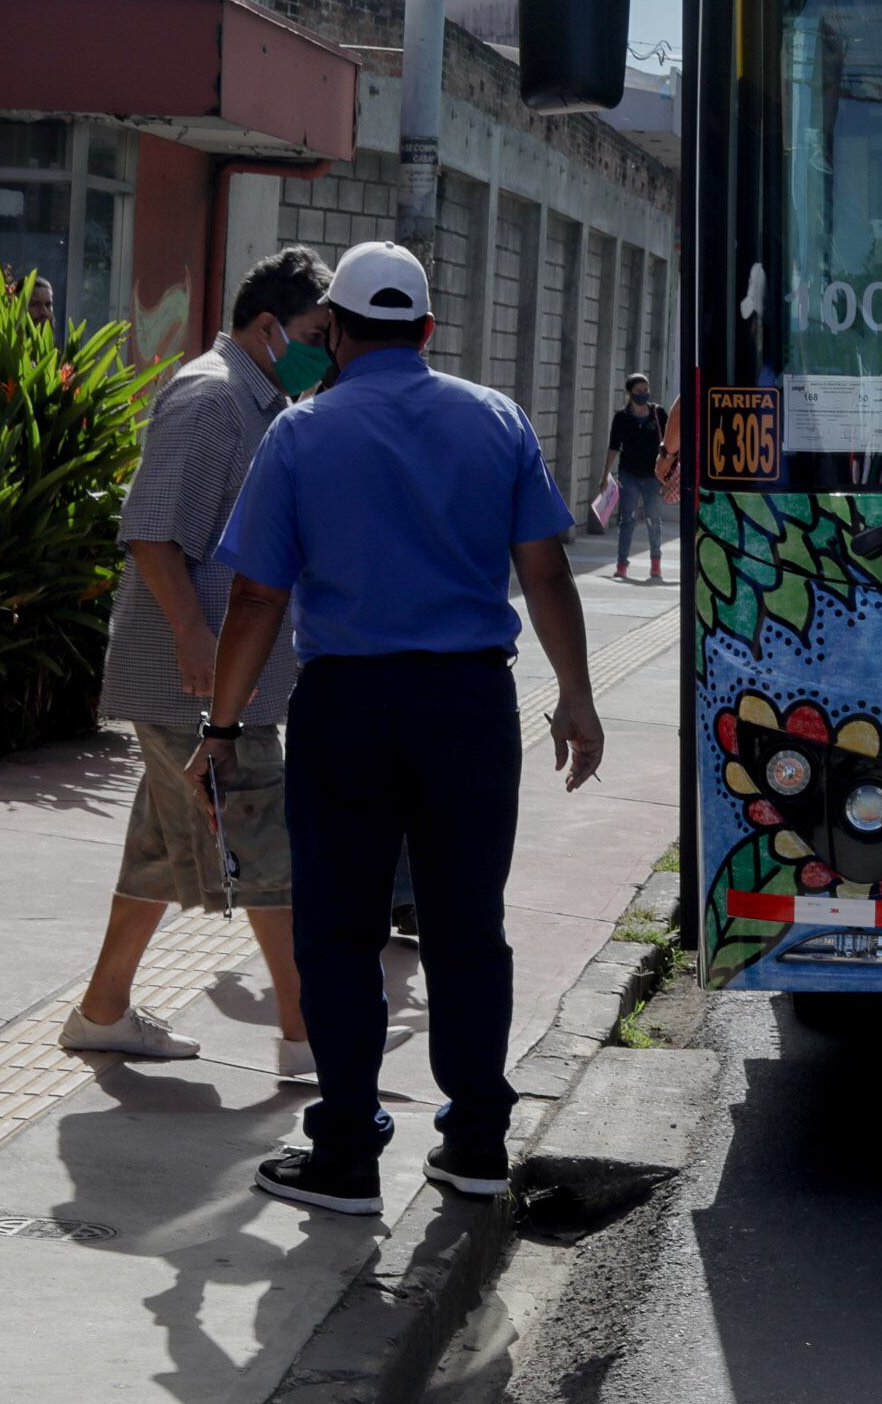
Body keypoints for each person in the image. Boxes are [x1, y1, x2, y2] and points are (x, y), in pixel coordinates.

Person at [208, 242, 604, 1217]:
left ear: (335, 331)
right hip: (470, 705)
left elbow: (258, 594)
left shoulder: (301, 432)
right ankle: (475, 1141)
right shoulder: (496, 418)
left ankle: (344, 1151)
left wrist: (221, 722)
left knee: (339, 927)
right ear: (428, 329)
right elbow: (547, 569)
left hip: (347, 709)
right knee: (468, 924)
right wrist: (577, 695)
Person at [61, 247, 338, 1080]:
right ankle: (305, 1035)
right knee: (265, 849)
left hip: (217, 680)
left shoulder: (259, 401)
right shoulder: (213, 398)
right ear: (267, 327)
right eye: (317, 334)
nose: (329, 351)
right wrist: (193, 636)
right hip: (205, 683)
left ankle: (102, 1012)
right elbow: (151, 528)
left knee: (161, 847)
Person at [600, 372, 668, 581]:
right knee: (626, 520)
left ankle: (655, 563)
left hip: (654, 475)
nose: (643, 394)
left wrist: (667, 476)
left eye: (646, 390)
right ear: (629, 393)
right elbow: (613, 447)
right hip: (628, 474)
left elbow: (670, 445)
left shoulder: (658, 414)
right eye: (639, 391)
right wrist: (605, 476)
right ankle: (622, 564)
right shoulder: (622, 418)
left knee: (652, 519)